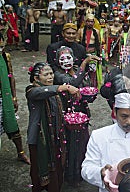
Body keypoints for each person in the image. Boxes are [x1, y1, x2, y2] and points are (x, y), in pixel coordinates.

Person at [26, 62, 80, 192]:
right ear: (36, 78)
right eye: (46, 74)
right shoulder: (32, 90)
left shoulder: (54, 91)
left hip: (55, 137)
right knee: (39, 169)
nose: (50, 77)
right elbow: (39, 93)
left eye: (51, 74)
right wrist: (64, 87)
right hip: (41, 140)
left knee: (56, 170)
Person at [53, 46, 101, 186]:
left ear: (73, 58)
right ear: (57, 61)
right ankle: (71, 175)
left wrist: (90, 94)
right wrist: (84, 63)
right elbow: (72, 83)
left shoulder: (78, 70)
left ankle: (81, 172)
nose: (66, 61)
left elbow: (85, 87)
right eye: (62, 59)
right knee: (70, 146)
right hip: (67, 115)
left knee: (82, 144)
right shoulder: (57, 74)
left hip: (82, 113)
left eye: (69, 58)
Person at [0, 35, 30, 164]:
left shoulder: (5, 57)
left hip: (3, 98)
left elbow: (10, 77)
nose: (0, 49)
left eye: (1, 46)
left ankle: (21, 153)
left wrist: (13, 97)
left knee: (12, 125)